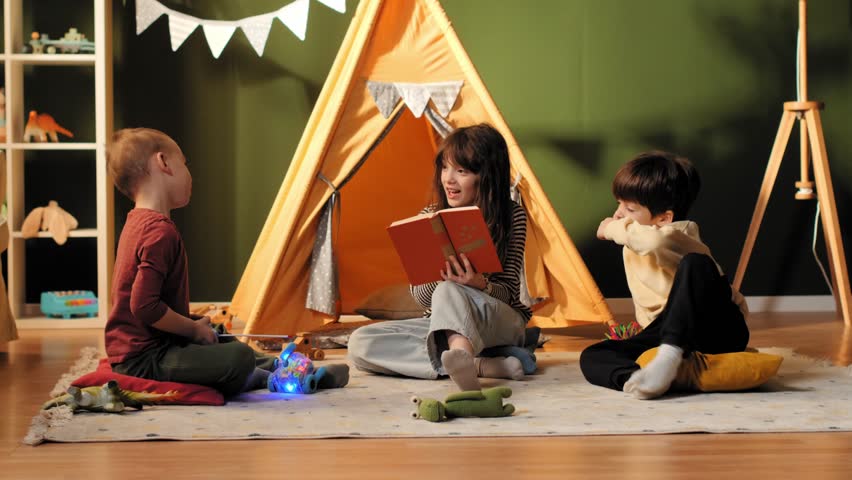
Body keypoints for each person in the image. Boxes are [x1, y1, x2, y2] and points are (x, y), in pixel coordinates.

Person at [348, 123, 531, 391]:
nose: (449, 179)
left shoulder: (511, 216)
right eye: (445, 168)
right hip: (442, 323)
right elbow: (421, 298)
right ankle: (480, 365)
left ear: (487, 175)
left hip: (499, 321)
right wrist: (439, 277)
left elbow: (510, 294)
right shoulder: (428, 216)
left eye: (461, 171)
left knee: (449, 290)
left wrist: (479, 284)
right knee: (359, 343)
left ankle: (463, 354)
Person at [104, 128, 275, 397]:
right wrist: (192, 330)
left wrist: (193, 323)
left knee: (217, 331)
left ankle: (277, 365)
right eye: (184, 163)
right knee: (237, 357)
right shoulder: (159, 231)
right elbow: (144, 306)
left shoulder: (137, 223)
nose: (189, 173)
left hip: (151, 347)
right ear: (162, 162)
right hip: (144, 360)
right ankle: (260, 376)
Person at [580, 151, 749, 399]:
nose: (618, 214)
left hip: (717, 326)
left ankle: (670, 356)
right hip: (666, 327)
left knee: (696, 263)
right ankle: (645, 381)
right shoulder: (636, 235)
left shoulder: (680, 235)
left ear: (664, 218)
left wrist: (610, 229)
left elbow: (656, 241)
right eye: (619, 205)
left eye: (629, 208)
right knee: (593, 356)